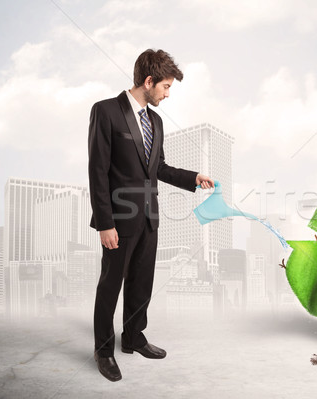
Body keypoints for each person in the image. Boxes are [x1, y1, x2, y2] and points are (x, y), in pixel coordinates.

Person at [88, 49, 214, 382]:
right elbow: (97, 171)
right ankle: (104, 350)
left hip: (149, 217)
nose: (168, 94)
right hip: (118, 219)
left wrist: (193, 178)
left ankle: (133, 338)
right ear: (149, 81)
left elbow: (157, 167)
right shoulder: (106, 112)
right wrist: (104, 223)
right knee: (110, 285)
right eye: (167, 87)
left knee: (142, 284)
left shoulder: (155, 121)